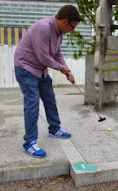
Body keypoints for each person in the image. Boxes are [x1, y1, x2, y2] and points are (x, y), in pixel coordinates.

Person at [14, 5, 81, 158]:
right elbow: (43, 57)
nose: (73, 30)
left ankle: (54, 129)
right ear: (65, 21)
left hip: (40, 69)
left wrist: (67, 70)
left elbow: (57, 54)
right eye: (72, 27)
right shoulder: (43, 28)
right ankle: (29, 142)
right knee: (32, 103)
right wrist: (62, 69)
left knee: (50, 98)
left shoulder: (59, 33)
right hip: (26, 67)